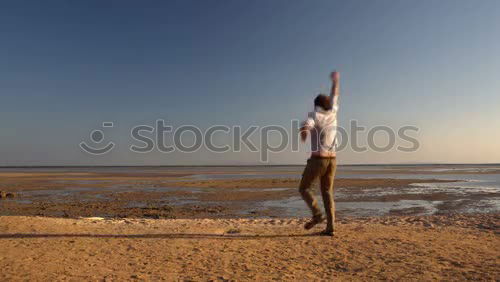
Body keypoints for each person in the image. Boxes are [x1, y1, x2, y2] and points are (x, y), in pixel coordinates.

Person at [299, 71, 340, 236]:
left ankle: (317, 214)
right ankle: (331, 228)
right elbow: (335, 94)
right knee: (327, 193)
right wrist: (336, 81)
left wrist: (303, 130)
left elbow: (307, 124)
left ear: (316, 105)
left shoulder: (314, 115)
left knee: (304, 188)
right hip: (333, 160)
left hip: (318, 160)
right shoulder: (333, 112)